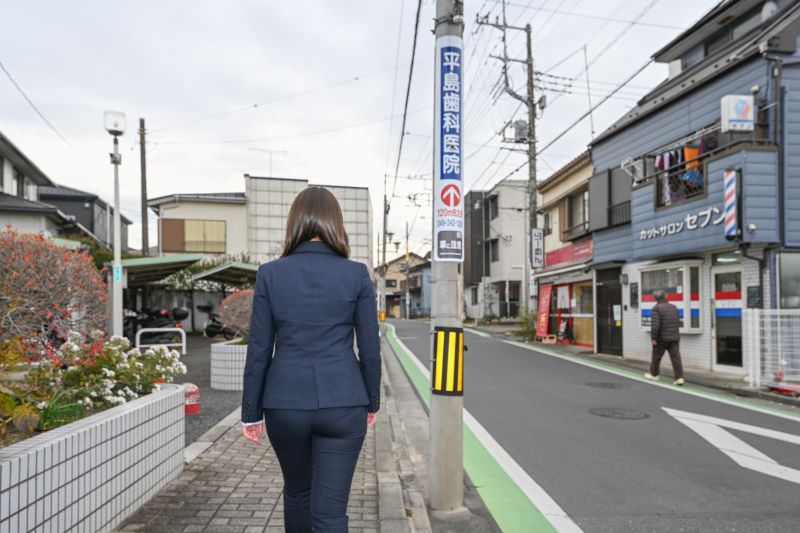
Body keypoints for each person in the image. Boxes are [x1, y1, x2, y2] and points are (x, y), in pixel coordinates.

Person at [240, 186, 381, 533]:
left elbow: (259, 348)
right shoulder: (357, 274)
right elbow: (370, 347)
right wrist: (372, 402)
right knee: (330, 513)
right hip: (345, 402)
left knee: (298, 492)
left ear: (295, 222)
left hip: (285, 405)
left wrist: (250, 413)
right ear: (336, 222)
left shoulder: (271, 274)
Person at [644, 289, 685, 386]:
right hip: (674, 338)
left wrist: (654, 338)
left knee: (656, 357)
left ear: (655, 298)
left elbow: (655, 326)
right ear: (666, 296)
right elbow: (677, 322)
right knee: (676, 358)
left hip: (661, 339)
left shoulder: (656, 308)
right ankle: (679, 378)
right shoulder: (674, 307)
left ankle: (654, 374)